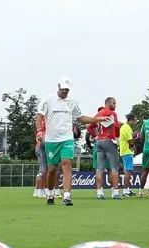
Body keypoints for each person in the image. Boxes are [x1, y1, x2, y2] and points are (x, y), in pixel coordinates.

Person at [36, 77, 107, 207]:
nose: (64, 92)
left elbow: (80, 118)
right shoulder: (48, 100)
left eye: (67, 90)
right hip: (51, 140)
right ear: (58, 87)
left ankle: (67, 196)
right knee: (52, 170)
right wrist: (39, 131)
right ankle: (50, 193)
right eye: (63, 89)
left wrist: (97, 119)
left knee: (67, 164)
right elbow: (39, 116)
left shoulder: (72, 102)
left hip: (67, 138)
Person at [94, 97, 122, 200]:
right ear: (108, 103)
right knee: (114, 168)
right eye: (114, 103)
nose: (115, 105)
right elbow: (116, 127)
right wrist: (117, 138)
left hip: (99, 141)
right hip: (109, 140)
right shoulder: (112, 113)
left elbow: (90, 126)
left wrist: (95, 136)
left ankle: (99, 192)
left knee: (99, 168)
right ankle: (115, 192)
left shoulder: (99, 114)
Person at [119, 113, 136, 197]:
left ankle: (127, 189)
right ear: (131, 120)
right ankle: (125, 190)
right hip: (127, 151)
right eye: (135, 120)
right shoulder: (126, 128)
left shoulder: (125, 127)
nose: (135, 122)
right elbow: (130, 141)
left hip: (125, 151)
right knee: (128, 171)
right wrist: (133, 147)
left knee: (128, 170)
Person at [34, 117, 48, 198]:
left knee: (41, 170)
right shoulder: (45, 123)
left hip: (39, 147)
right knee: (44, 170)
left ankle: (37, 190)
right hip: (42, 147)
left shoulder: (40, 123)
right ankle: (40, 191)